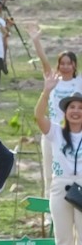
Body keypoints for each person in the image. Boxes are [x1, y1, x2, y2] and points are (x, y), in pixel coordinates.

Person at [35, 78, 82, 245]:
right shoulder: (55, 131)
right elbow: (38, 116)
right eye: (72, 107)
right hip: (60, 186)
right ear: (65, 111)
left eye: (80, 108)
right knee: (62, 237)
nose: (76, 111)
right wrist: (46, 92)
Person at [30, 27, 80, 198]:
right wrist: (36, 41)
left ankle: (75, 203)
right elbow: (44, 61)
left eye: (69, 63)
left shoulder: (79, 83)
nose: (65, 66)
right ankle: (49, 209)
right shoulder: (53, 80)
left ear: (74, 65)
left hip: (74, 133)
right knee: (50, 173)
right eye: (62, 63)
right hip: (52, 131)